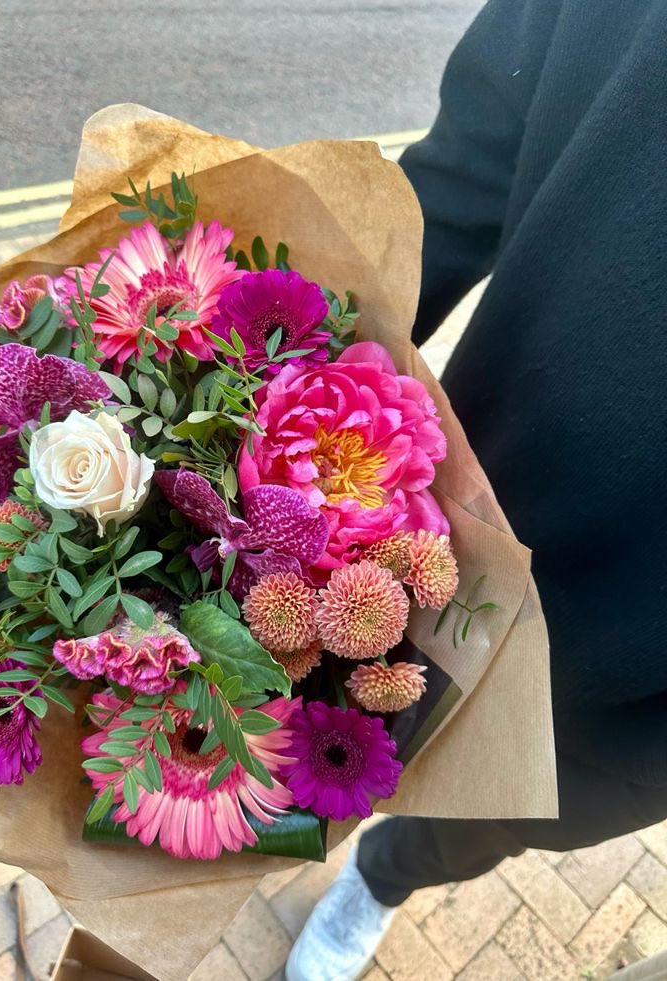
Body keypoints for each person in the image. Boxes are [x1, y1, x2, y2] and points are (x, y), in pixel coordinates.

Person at [286, 0, 667, 977]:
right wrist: (269, 369)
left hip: (634, 702)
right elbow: (465, 169)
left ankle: (381, 878)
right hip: (456, 520)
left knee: (479, 822)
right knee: (307, 726)